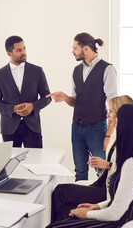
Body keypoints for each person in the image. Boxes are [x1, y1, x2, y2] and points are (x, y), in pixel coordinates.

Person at [47, 104, 133, 228]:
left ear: (126, 129)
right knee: (66, 214)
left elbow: (115, 213)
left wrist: (88, 214)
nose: (115, 127)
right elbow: (121, 201)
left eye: (118, 123)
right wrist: (97, 206)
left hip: (118, 224)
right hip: (120, 219)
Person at [51, 95, 133, 222]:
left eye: (111, 111)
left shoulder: (129, 140)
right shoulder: (115, 136)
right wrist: (100, 166)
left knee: (60, 191)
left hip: (108, 193)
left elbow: (127, 173)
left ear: (120, 114)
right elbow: (108, 172)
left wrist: (107, 165)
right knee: (65, 209)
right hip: (101, 186)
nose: (107, 115)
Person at [47, 32, 117, 180]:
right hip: (76, 127)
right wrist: (65, 97)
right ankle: (81, 201)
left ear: (85, 48)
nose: (72, 51)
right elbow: (75, 101)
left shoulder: (107, 69)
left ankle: (102, 202)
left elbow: (113, 106)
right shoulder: (76, 70)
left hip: (96, 128)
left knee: (101, 171)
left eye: (75, 48)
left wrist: (108, 135)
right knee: (79, 170)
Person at [0, 35, 51, 148]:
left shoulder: (37, 71)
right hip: (9, 128)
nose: (23, 52)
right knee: (11, 165)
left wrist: (32, 106)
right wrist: (12, 109)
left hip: (33, 126)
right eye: (19, 50)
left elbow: (47, 97)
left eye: (24, 48)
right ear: (9, 53)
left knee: (35, 164)